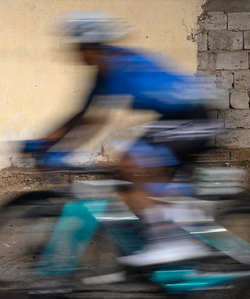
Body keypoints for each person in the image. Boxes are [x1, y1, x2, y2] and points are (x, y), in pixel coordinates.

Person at [38, 12, 220, 267]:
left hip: (196, 119)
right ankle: (163, 230)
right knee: (126, 177)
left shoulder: (116, 68)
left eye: (78, 47)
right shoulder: (106, 70)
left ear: (92, 47)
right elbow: (81, 117)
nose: (75, 53)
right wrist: (44, 142)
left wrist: (52, 146)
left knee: (131, 162)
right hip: (175, 118)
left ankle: (173, 241)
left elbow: (93, 121)